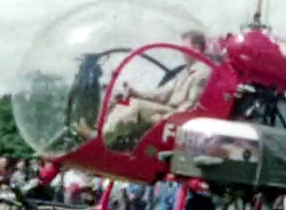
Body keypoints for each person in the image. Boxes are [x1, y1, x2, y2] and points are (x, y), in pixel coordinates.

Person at [74, 29, 211, 147]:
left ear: (196, 48)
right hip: (168, 110)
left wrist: (166, 119)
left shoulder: (203, 74)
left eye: (184, 47)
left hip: (174, 116)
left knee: (137, 106)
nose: (181, 51)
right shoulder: (185, 72)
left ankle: (100, 139)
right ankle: (101, 131)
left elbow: (190, 106)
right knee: (122, 100)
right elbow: (162, 93)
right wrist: (136, 93)